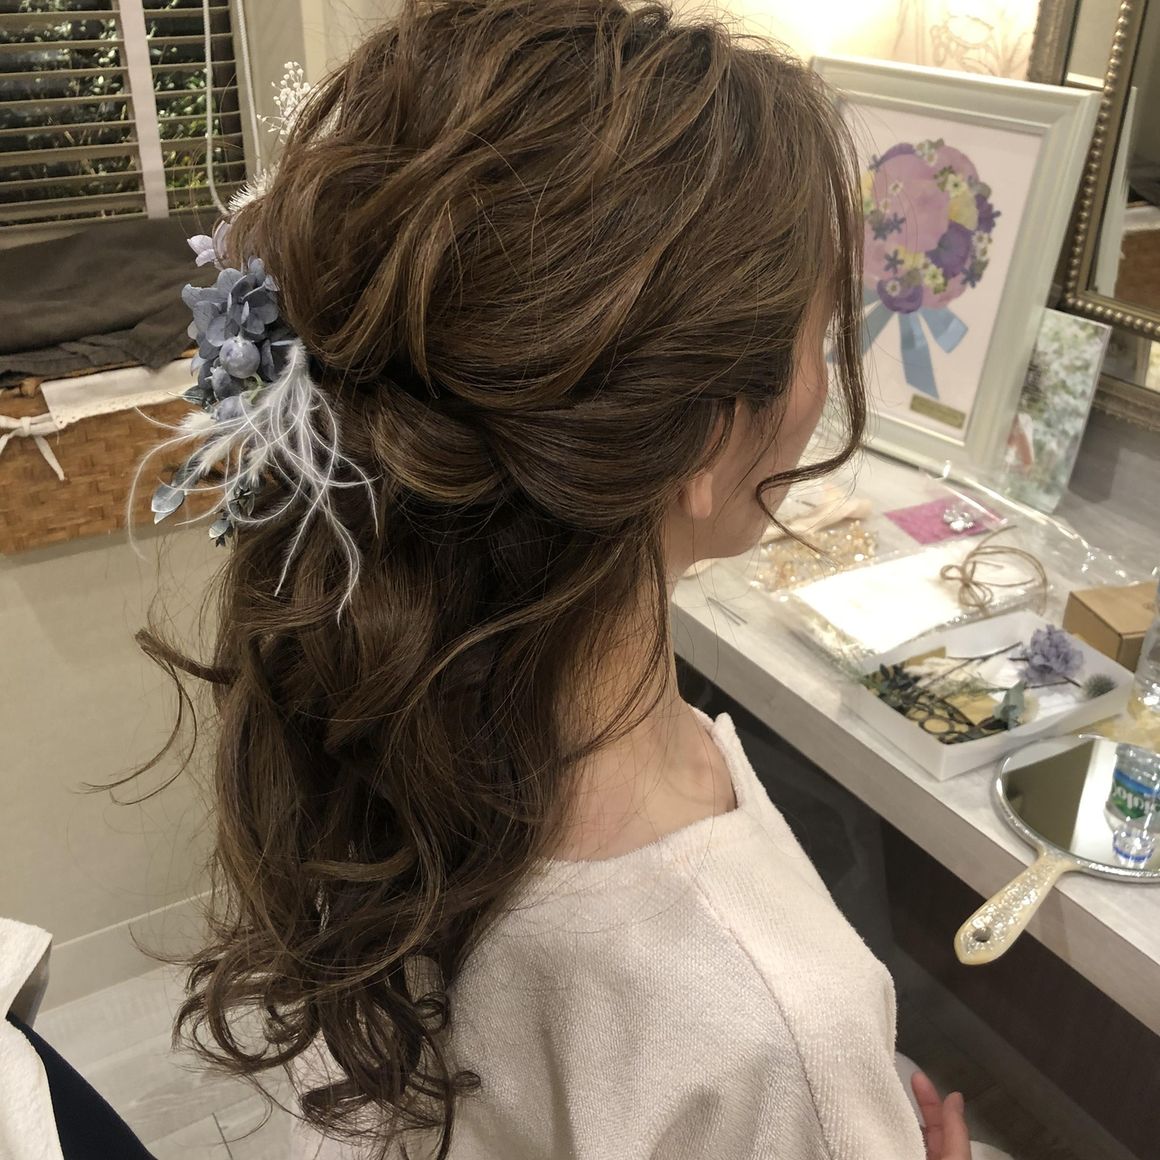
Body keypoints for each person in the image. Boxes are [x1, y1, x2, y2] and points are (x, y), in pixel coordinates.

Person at [127, 1, 983, 1157]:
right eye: (816, 339)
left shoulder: (378, 739)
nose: (821, 387)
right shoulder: (779, 1028)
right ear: (702, 439)